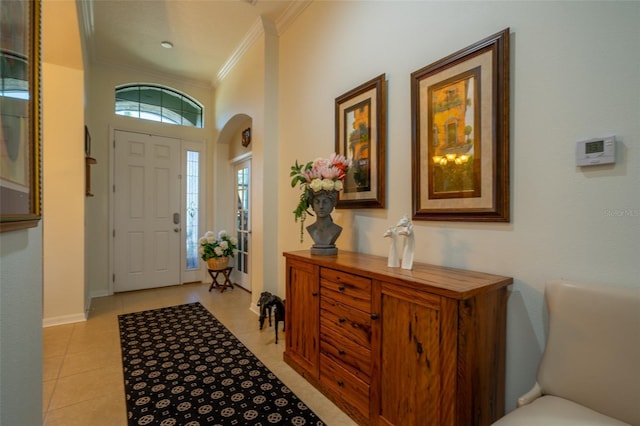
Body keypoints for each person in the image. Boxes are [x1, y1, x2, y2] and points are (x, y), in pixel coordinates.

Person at [306, 190, 342, 254]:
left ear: (333, 204)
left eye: (325, 202)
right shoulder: (310, 229)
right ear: (312, 206)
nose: (321, 206)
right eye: (317, 202)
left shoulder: (337, 229)